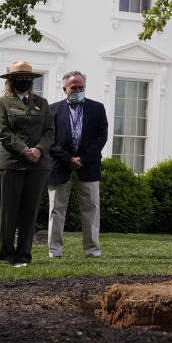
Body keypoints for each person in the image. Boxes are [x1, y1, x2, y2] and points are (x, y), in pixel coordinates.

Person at [0, 60, 54, 266]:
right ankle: (6, 256)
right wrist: (24, 150)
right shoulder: (2, 103)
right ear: (12, 80)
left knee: (30, 212)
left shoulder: (42, 103)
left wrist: (39, 150)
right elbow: (3, 132)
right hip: (10, 164)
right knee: (8, 213)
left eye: (28, 78)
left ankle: (24, 256)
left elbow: (49, 131)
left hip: (38, 165)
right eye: (20, 78)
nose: (25, 81)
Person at [47, 71, 109, 258]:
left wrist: (83, 158)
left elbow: (101, 137)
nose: (78, 90)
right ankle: (54, 252)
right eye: (74, 88)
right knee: (56, 211)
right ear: (65, 89)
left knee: (91, 210)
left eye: (81, 87)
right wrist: (67, 159)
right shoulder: (52, 110)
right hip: (60, 167)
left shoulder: (97, 109)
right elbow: (49, 139)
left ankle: (92, 251)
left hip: (88, 167)